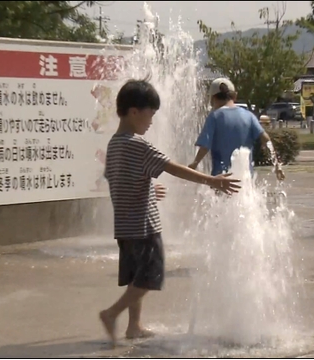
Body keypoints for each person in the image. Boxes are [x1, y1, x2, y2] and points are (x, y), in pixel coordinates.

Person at [99, 79, 241, 347]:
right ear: (134, 112)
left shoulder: (115, 144)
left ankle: (134, 326)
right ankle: (111, 313)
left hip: (125, 226)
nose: (152, 121)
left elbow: (118, 179)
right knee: (150, 276)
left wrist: (149, 190)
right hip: (144, 225)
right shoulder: (138, 144)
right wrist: (213, 181)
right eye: (150, 114)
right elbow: (172, 167)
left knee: (135, 277)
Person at [189, 78, 285, 181]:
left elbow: (204, 147)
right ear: (235, 96)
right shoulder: (249, 116)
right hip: (245, 178)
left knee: (220, 196)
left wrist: (195, 164)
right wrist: (276, 164)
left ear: (212, 99)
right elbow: (266, 139)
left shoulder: (214, 117)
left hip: (222, 179)